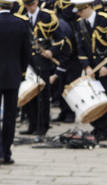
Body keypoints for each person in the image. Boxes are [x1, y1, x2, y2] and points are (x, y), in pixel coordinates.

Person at [73, 0, 107, 141]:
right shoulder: (81, 23)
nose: (79, 14)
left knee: (105, 98)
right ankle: (97, 126)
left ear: (88, 7)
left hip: (104, 66)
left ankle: (105, 129)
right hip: (91, 68)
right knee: (93, 99)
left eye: (81, 11)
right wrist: (86, 66)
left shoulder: (106, 20)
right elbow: (80, 47)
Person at [19, 0, 62, 138]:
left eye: (31, 4)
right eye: (27, 5)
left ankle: (43, 125)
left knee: (43, 95)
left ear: (36, 2)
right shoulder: (21, 15)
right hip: (27, 61)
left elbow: (60, 38)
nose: (29, 8)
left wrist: (52, 51)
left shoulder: (47, 16)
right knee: (29, 94)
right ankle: (32, 124)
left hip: (43, 61)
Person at [0, 0, 31, 165]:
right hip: (13, 74)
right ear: (12, 6)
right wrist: (23, 71)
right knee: (10, 116)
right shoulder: (21, 23)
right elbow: (26, 51)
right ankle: (6, 152)